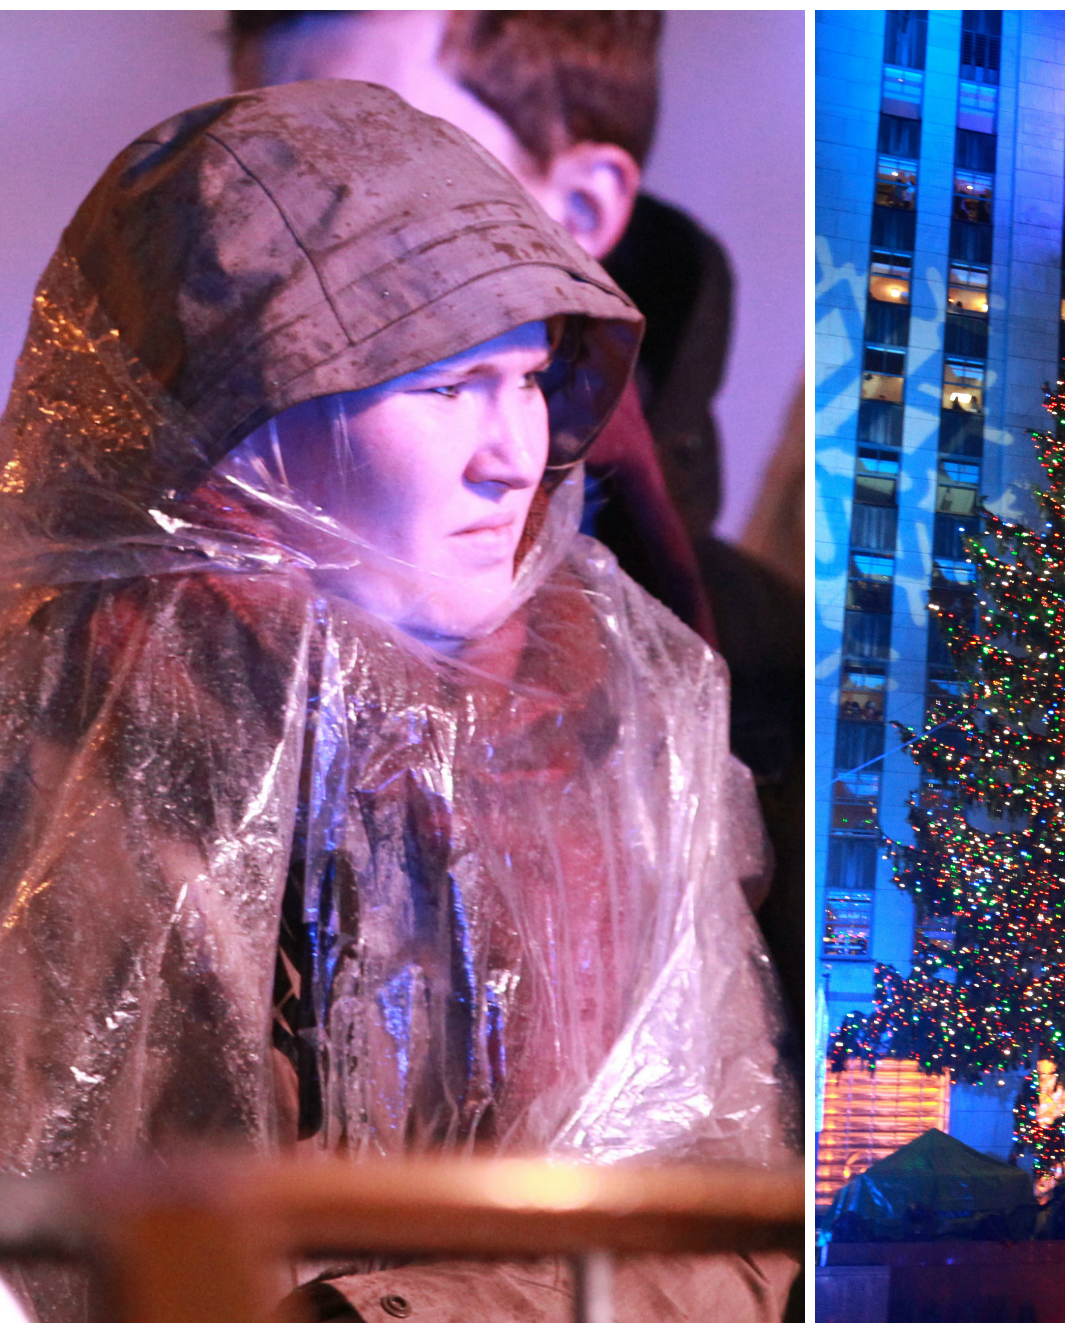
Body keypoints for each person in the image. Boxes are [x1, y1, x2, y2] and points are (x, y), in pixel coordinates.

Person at [0, 80, 795, 1321]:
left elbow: (724, 1219)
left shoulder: (618, 717)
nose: (510, 452)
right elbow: (1, 1250)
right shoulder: (51, 772)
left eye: (528, 375)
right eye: (441, 389)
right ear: (241, 429)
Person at [226, 10, 806, 1048]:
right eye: (251, 167)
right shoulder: (54, 629)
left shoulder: (769, 686)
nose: (277, 243)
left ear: (577, 206)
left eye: (372, 163)